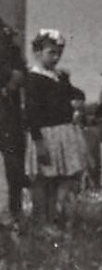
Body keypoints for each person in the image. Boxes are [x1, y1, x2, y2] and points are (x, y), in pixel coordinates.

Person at [21, 30, 89, 226]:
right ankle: (42, 220)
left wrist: (76, 98)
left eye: (59, 53)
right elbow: (32, 113)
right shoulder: (34, 79)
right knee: (44, 179)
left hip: (64, 132)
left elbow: (75, 93)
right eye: (51, 52)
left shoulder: (58, 77)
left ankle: (58, 214)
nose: (56, 57)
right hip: (46, 133)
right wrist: (38, 140)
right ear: (37, 52)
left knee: (66, 176)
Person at [0, 17, 26, 232]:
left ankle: (13, 214)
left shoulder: (8, 42)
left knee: (13, 167)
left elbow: (19, 73)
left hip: (8, 117)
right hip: (8, 114)